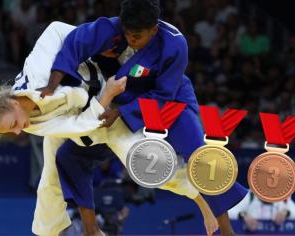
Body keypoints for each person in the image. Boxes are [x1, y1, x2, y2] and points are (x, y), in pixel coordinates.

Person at [41, 0, 247, 235]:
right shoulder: (110, 29)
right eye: (127, 33)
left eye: (137, 36)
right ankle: (91, 229)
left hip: (169, 102)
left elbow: (162, 94)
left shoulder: (174, 43)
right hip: (117, 101)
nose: (131, 40)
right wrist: (52, 84)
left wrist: (120, 113)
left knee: (201, 157)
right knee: (68, 155)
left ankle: (227, 230)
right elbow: (74, 44)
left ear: (154, 29)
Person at [0, 21, 126, 236]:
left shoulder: (37, 72)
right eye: (10, 132)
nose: (18, 132)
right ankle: (48, 232)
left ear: (14, 102)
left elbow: (55, 28)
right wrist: (107, 97)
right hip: (86, 107)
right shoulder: (31, 124)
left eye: (13, 124)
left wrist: (91, 43)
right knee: (49, 178)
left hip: (98, 69)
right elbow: (75, 126)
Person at [229, 190, 295, 232]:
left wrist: (286, 212)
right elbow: (229, 212)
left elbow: (293, 211)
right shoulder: (250, 196)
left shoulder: (282, 198)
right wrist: (244, 215)